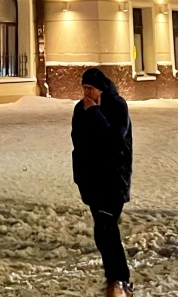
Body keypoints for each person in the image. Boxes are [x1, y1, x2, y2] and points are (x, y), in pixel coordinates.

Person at [72, 68, 133, 297]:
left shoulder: (117, 106)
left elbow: (115, 140)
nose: (87, 93)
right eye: (84, 88)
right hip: (91, 179)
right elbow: (77, 141)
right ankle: (119, 280)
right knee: (102, 232)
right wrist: (80, 176)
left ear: (101, 89)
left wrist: (96, 113)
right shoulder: (80, 109)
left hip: (113, 179)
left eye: (91, 89)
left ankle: (117, 280)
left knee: (107, 228)